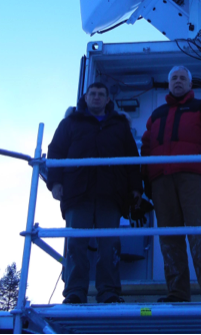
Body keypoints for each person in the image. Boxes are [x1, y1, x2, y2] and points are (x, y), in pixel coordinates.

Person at [141, 66, 201, 303]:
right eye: (173, 78)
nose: (177, 81)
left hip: (192, 178)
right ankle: (177, 293)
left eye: (182, 78)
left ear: (189, 84)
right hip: (161, 182)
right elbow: (146, 147)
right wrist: (145, 178)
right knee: (169, 237)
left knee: (200, 231)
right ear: (168, 83)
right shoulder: (156, 115)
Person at [47, 82, 142, 304]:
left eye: (101, 94)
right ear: (86, 98)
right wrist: (55, 182)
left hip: (111, 194)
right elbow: (56, 152)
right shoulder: (70, 123)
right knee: (75, 244)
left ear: (108, 99)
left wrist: (136, 188)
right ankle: (74, 292)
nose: (97, 97)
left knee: (109, 245)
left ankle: (108, 292)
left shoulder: (119, 126)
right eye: (93, 94)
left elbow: (132, 158)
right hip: (77, 192)